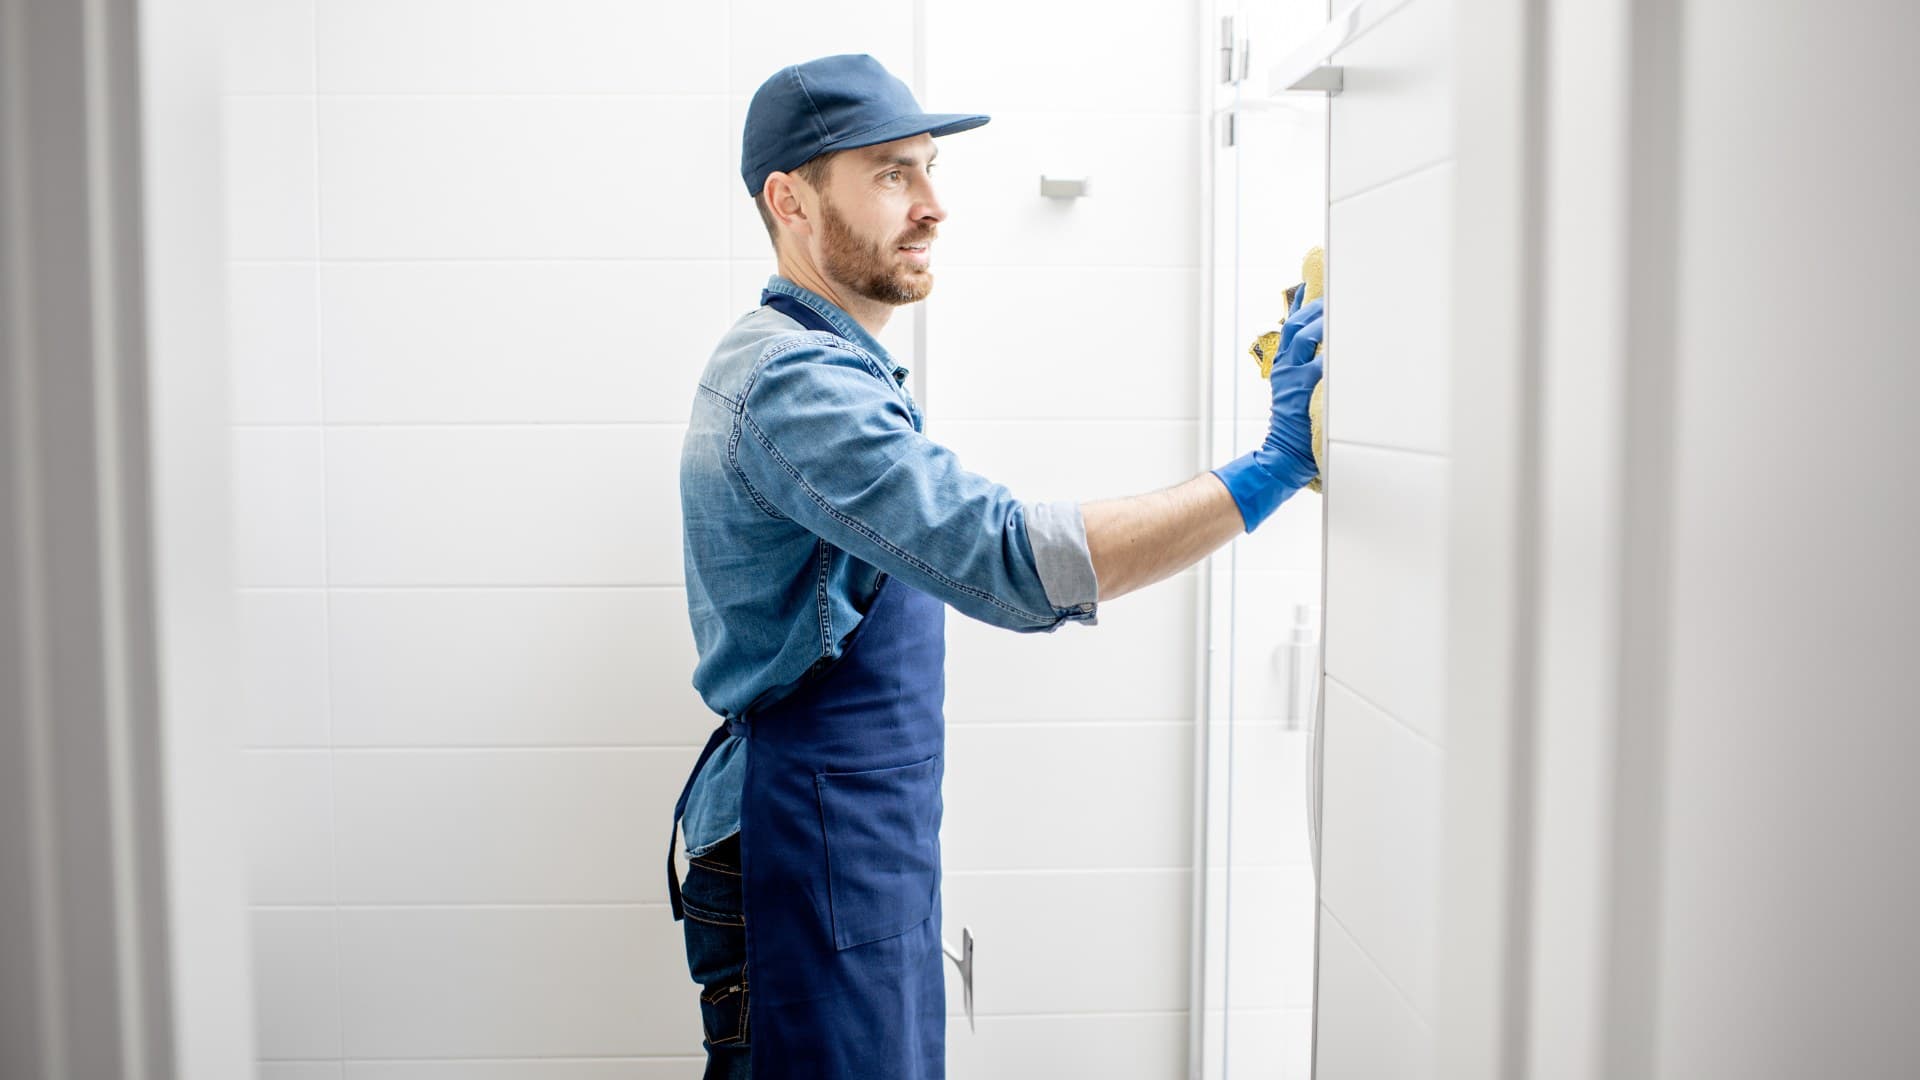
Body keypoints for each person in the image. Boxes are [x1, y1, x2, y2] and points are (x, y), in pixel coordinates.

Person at [667, 52, 1325, 1080]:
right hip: (807, 844)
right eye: (891, 174)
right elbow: (1013, 560)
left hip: (851, 840)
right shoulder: (796, 381)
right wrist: (1272, 468)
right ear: (790, 200)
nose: (932, 205)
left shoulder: (829, 360)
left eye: (928, 169)